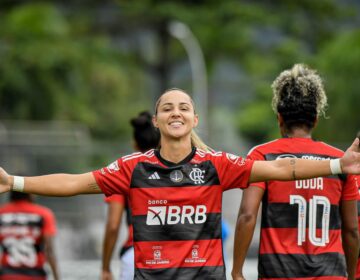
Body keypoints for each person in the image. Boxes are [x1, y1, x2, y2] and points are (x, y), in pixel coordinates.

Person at [0, 88, 360, 280]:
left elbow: (284, 169)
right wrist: (12, 181)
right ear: (156, 120)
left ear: (194, 118)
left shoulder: (218, 165)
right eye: (168, 107)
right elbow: (75, 183)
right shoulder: (133, 167)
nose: (176, 112)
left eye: (184, 107)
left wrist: (336, 164)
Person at [231, 64, 360, 280]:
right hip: (330, 274)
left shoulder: (263, 156)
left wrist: (237, 272)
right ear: (316, 120)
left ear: (280, 118)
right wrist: (351, 275)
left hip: (278, 274)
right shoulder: (341, 161)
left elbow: (247, 215)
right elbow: (352, 230)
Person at [101, 111, 160, 280]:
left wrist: (105, 267)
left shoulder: (125, 171)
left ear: (134, 143)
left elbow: (113, 225)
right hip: (175, 256)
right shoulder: (177, 170)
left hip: (135, 255)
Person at [0, 191, 59, 280]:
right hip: (35, 275)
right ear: (30, 194)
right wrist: (57, 277)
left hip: (7, 275)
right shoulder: (43, 214)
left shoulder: (2, 213)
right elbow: (49, 250)